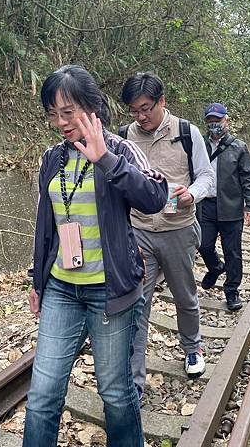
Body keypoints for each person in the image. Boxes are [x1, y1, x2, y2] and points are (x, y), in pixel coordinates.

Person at [23, 65, 168, 447]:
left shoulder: (122, 150)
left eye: (67, 112)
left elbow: (155, 199)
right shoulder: (52, 158)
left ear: (92, 108)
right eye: (52, 114)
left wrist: (107, 160)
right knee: (41, 395)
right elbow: (46, 226)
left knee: (116, 395)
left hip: (110, 291)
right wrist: (37, 281)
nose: (60, 122)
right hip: (61, 289)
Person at [120, 72, 214, 396]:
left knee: (185, 296)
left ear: (162, 101)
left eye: (146, 108)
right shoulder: (124, 137)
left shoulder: (188, 133)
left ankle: (193, 348)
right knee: (136, 303)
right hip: (140, 232)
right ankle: (133, 381)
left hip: (178, 229)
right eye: (134, 111)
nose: (141, 117)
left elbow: (206, 176)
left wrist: (193, 193)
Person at [198, 103, 250, 311]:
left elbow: (248, 178)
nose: (214, 125)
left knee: (232, 251)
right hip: (206, 205)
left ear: (226, 121)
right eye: (210, 121)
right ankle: (215, 268)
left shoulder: (238, 147)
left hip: (231, 207)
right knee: (203, 244)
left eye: (218, 121)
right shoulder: (200, 145)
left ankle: (232, 290)